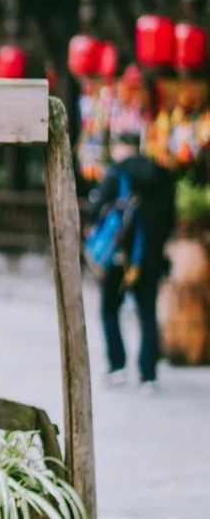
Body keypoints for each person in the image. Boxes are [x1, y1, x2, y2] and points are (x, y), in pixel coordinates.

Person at [89, 130, 175, 391]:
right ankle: (148, 374)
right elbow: (170, 217)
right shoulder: (161, 175)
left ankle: (117, 365)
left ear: (120, 147)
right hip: (149, 258)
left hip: (119, 257)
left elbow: (96, 210)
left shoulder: (117, 174)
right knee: (147, 313)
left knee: (109, 309)